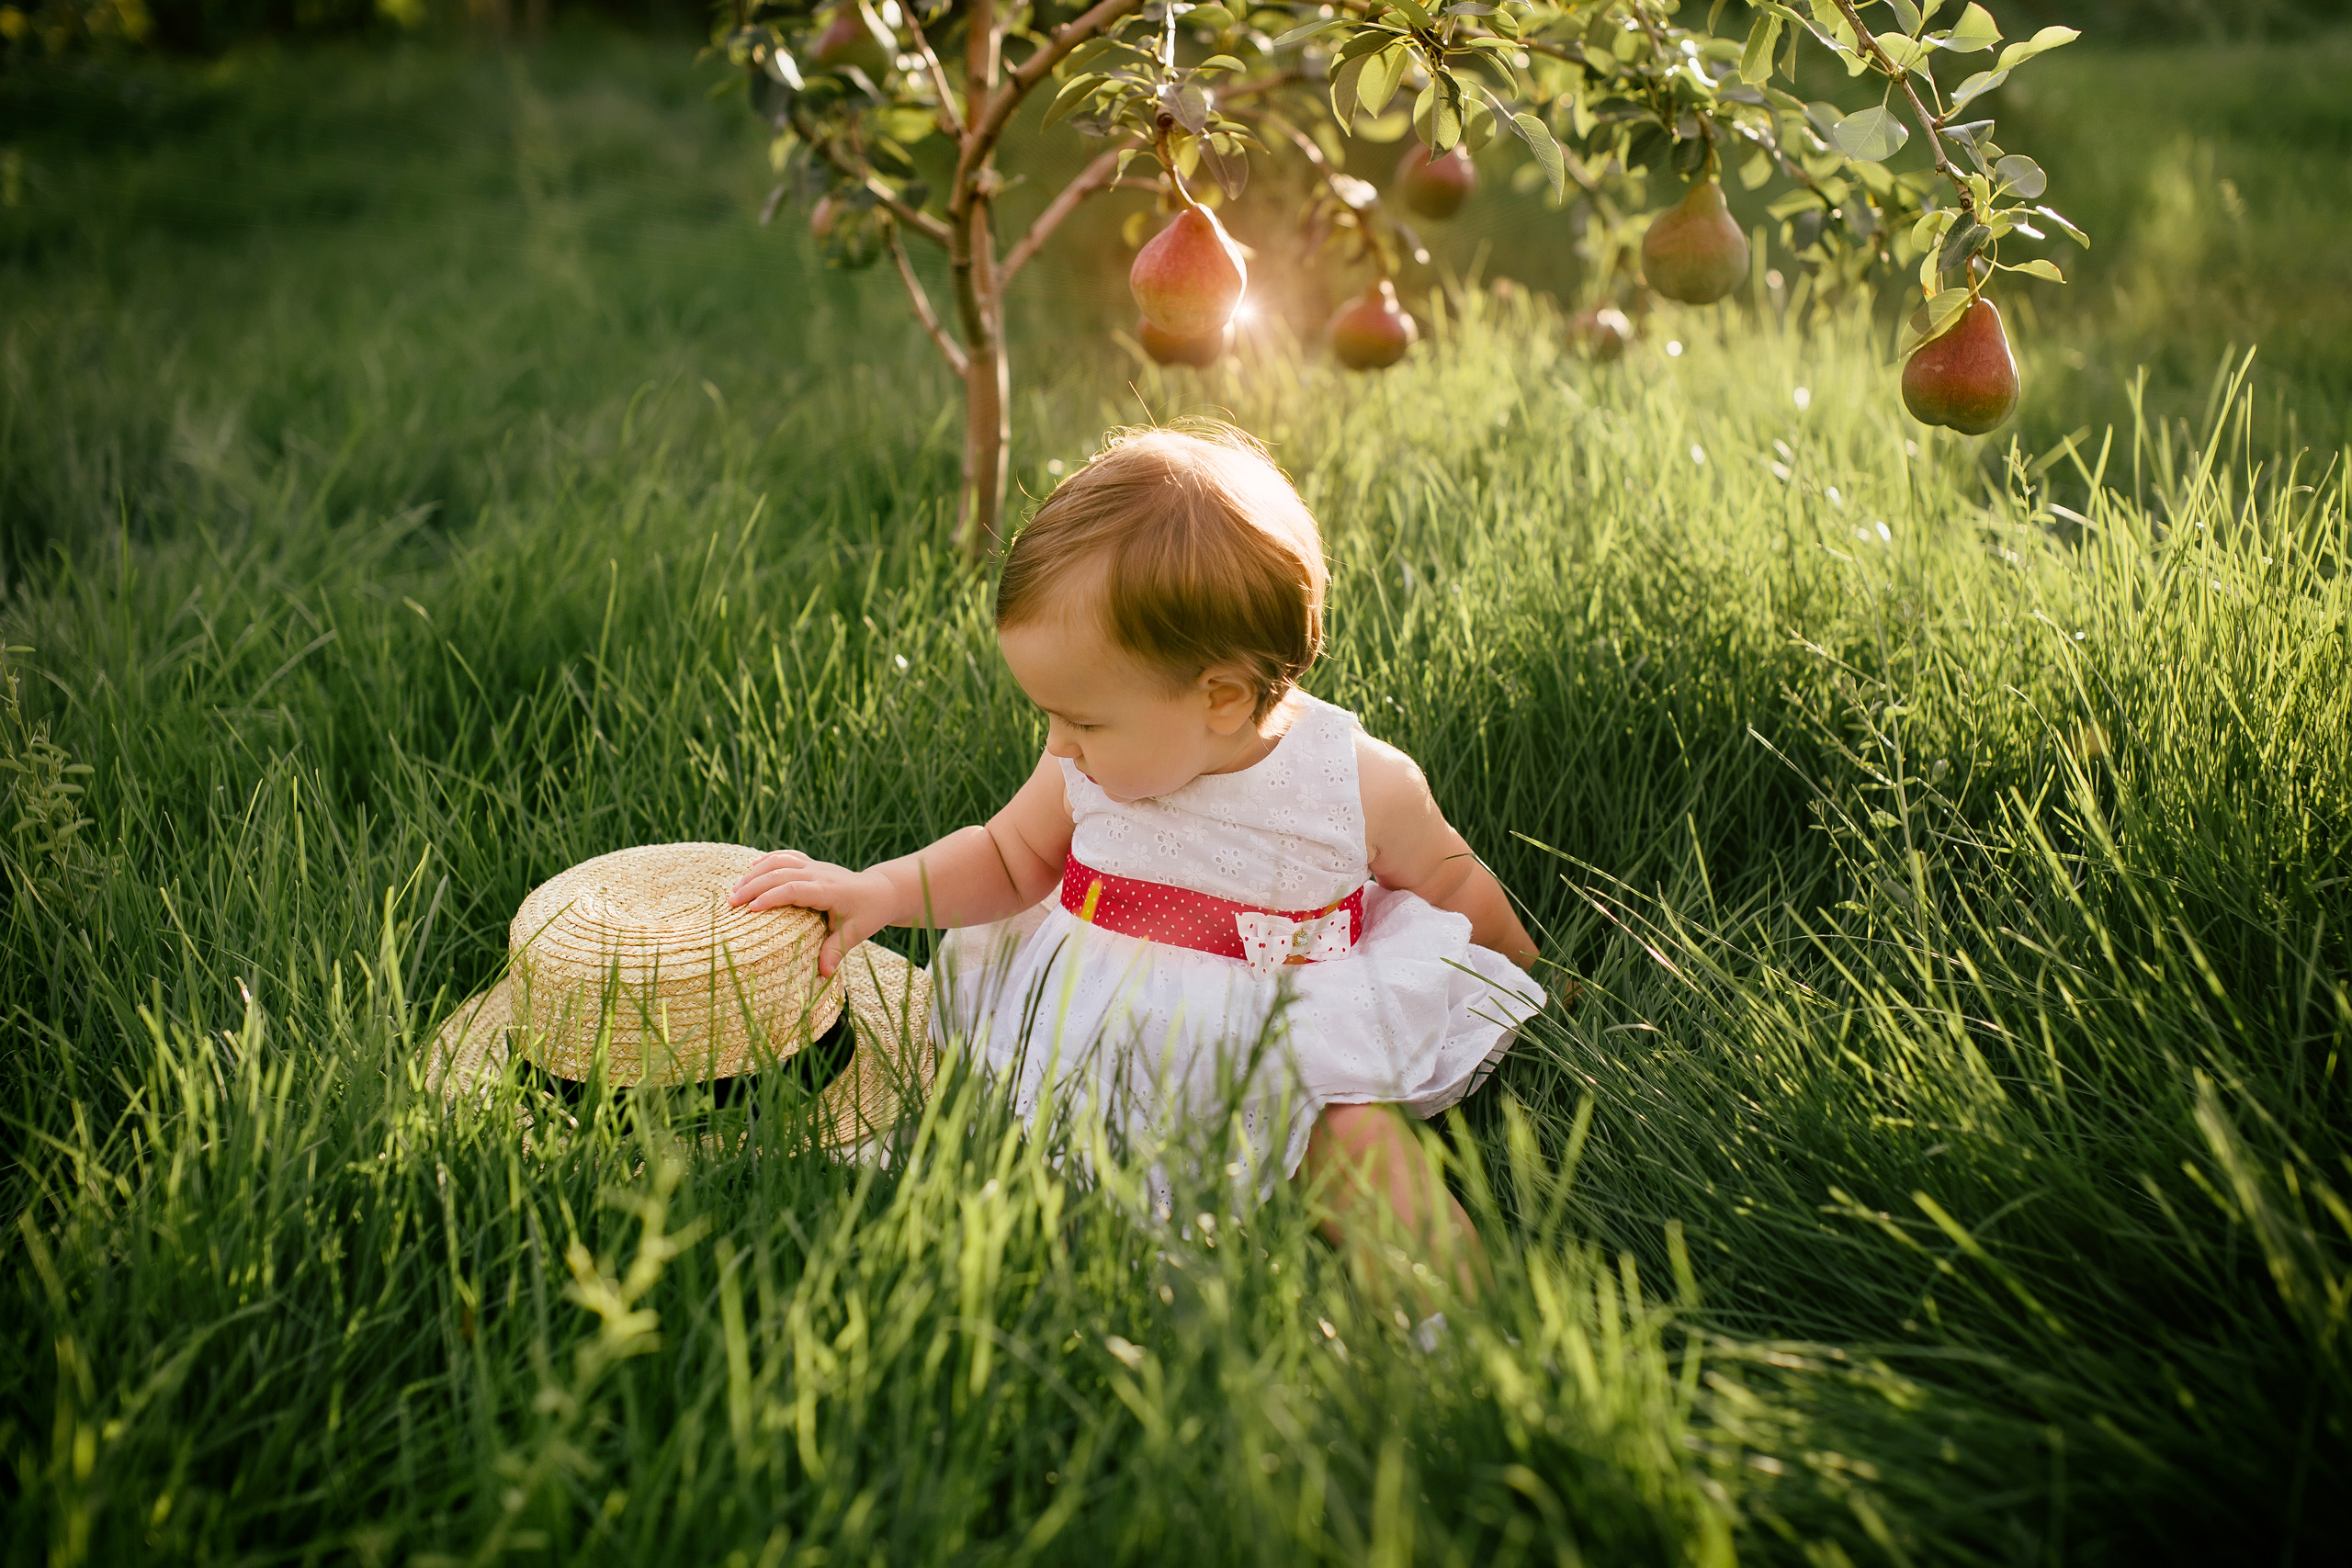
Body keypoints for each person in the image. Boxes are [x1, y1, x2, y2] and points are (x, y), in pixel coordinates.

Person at [729, 423, 1544, 1308]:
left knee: (1351, 1140)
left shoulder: (1355, 781)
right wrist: (881, 890)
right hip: (1101, 1025)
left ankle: (1458, 1320)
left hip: (1280, 1029)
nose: (1058, 743)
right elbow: (1008, 856)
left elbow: (1453, 883)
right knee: (1024, 1156)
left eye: (1081, 719)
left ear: (1222, 698)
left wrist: (1523, 968)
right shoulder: (1082, 769)